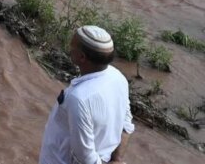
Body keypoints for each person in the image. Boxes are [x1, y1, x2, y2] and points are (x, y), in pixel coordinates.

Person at [39, 26, 135, 164]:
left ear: (82, 57)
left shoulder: (78, 98)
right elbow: (126, 126)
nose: (69, 47)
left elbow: (86, 159)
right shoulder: (118, 77)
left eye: (72, 45)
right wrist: (117, 160)